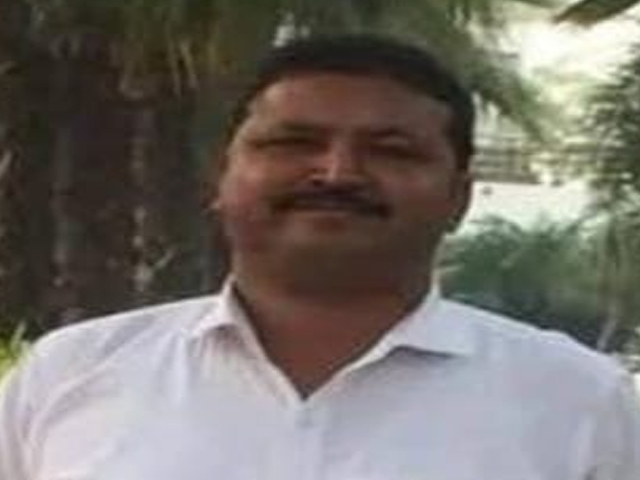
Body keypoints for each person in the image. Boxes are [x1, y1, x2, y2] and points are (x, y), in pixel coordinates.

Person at [1, 34, 638, 480]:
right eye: (293, 142)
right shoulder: (70, 375)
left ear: (459, 199)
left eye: (392, 150)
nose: (337, 172)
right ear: (220, 179)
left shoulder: (578, 401)